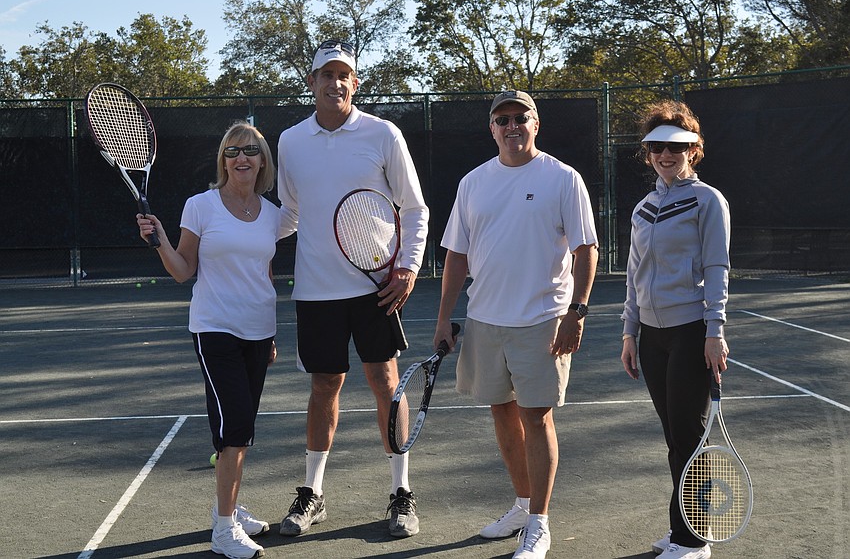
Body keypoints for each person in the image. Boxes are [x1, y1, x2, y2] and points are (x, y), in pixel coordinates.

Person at [434, 90, 599, 559]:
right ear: (492, 129)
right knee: (501, 413)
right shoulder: (473, 183)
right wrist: (445, 317)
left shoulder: (563, 178)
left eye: (520, 118)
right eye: (502, 119)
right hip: (485, 320)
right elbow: (456, 256)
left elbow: (586, 249)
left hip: (543, 320)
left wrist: (577, 312)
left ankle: (539, 524)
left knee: (536, 416)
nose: (511, 126)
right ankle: (522, 506)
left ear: (535, 123)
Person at [275, 40, 429, 539]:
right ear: (311, 83)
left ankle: (402, 492)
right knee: (324, 386)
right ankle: (312, 493)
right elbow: (289, 215)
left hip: (375, 288)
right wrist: (224, 228)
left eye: (345, 75)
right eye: (326, 75)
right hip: (316, 291)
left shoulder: (384, 134)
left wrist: (406, 268)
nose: (335, 83)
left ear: (355, 83)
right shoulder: (290, 141)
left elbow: (414, 207)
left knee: (387, 383)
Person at [137, 121, 287, 559]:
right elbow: (184, 269)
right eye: (232, 151)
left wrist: (272, 334)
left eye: (251, 151)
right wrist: (160, 239)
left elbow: (266, 272)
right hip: (215, 328)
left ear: (263, 162)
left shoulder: (273, 213)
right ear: (223, 161)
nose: (241, 158)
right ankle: (223, 531)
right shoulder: (200, 205)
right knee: (236, 427)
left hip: (259, 333)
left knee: (238, 430)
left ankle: (231, 509)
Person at [620, 100, 731, 559]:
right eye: (657, 147)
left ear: (693, 149)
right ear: (647, 153)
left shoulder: (708, 200)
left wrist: (714, 329)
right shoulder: (643, 208)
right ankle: (682, 525)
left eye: (677, 146)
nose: (666, 155)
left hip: (690, 331)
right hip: (651, 336)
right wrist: (629, 333)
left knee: (689, 435)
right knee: (676, 438)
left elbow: (717, 266)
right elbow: (633, 273)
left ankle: (693, 538)